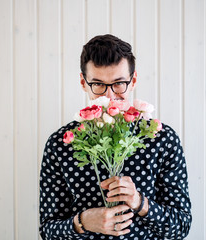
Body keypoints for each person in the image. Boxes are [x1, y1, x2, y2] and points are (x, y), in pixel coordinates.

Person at [39, 34, 192, 240]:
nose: (109, 97)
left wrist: (139, 202)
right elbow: (48, 231)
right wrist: (82, 222)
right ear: (84, 83)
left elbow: (180, 227)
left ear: (133, 80)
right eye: (98, 84)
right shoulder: (62, 142)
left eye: (119, 83)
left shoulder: (161, 138)